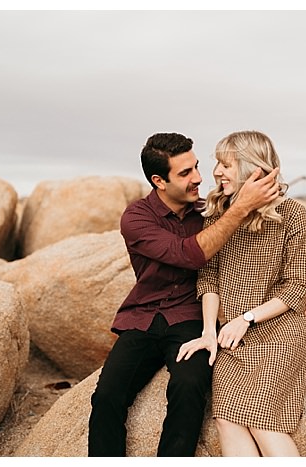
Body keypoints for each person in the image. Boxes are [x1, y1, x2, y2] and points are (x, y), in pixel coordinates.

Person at [87, 132, 283, 457]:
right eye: (185, 173)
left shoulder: (210, 212)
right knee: (107, 395)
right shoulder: (136, 218)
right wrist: (239, 209)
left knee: (189, 386)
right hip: (143, 317)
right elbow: (188, 254)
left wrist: (296, 291)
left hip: (191, 317)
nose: (199, 178)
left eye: (195, 167)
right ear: (158, 181)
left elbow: (260, 252)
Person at [177, 130, 306, 457]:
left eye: (225, 164)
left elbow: (296, 286)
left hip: (279, 331)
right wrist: (209, 331)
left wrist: (246, 318)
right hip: (230, 335)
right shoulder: (218, 214)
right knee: (227, 419)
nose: (216, 171)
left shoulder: (294, 215)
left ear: (252, 167)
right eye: (217, 163)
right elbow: (208, 276)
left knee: (262, 421)